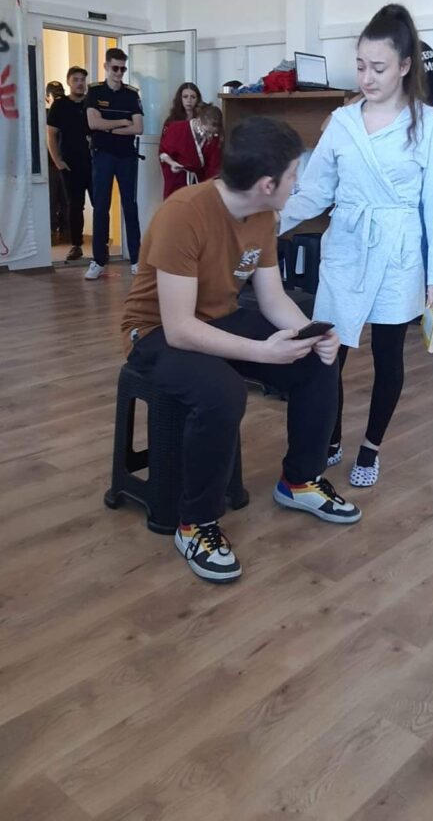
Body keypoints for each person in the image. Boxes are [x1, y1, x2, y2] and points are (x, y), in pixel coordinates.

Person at [122, 116, 361, 583]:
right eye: (294, 175)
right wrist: (262, 352)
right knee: (223, 393)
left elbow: (272, 299)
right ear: (268, 183)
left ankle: (300, 481)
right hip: (155, 331)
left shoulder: (264, 215)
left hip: (217, 318)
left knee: (318, 361)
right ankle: (195, 525)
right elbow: (179, 329)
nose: (298, 184)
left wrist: (310, 332)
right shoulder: (183, 213)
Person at [280, 4, 433, 488]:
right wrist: (268, 222)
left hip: (399, 248)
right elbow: (315, 191)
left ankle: (371, 447)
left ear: (404, 66)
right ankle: (331, 436)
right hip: (347, 244)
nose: (367, 77)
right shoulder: (342, 121)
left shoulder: (429, 123)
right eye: (360, 66)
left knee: (387, 353)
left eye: (378, 67)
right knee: (329, 352)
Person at [84, 48, 144, 281]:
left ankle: (136, 259)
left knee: (130, 206)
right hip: (103, 155)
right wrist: (121, 122)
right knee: (101, 207)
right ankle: (98, 261)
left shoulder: (131, 94)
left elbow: (138, 128)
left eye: (122, 69)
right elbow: (93, 123)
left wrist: (107, 126)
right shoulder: (94, 91)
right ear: (106, 67)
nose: (119, 73)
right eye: (115, 68)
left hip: (126, 156)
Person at [46, 66, 92, 261]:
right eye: (76, 80)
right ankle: (76, 245)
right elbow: (51, 135)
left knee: (100, 204)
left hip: (95, 163)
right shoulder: (60, 105)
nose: (80, 83)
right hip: (70, 164)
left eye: (82, 79)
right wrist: (58, 161)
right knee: (74, 205)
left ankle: (102, 245)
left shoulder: (92, 103)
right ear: (69, 82)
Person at [159, 103, 223, 199]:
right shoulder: (177, 128)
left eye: (213, 133)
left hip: (199, 182)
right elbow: (163, 151)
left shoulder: (215, 138)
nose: (210, 136)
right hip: (177, 179)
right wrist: (172, 163)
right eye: (207, 132)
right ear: (199, 121)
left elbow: (213, 166)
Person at [45, 80, 68, 244]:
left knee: (67, 200)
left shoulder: (66, 112)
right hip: (49, 164)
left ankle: (67, 232)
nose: (59, 98)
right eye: (55, 95)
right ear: (47, 98)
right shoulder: (44, 115)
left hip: (66, 162)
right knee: (52, 200)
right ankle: (52, 232)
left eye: (61, 94)